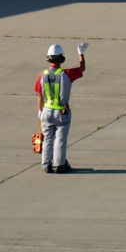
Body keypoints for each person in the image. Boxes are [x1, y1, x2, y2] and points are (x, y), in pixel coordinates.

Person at [35, 42, 87, 173]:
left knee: (47, 138)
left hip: (46, 112)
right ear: (61, 59)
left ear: (48, 58)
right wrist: (81, 53)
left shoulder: (42, 75)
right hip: (61, 113)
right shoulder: (67, 74)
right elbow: (82, 68)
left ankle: (46, 164)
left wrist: (40, 111)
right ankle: (59, 165)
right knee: (60, 139)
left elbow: (39, 95)